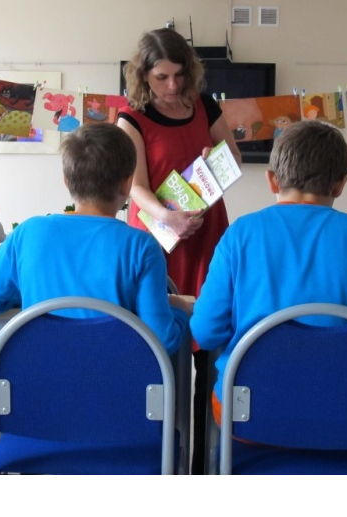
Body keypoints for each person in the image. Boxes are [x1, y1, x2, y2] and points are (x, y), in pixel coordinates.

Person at [191, 121, 347, 426]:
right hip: (346, 411)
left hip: (252, 410)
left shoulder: (240, 234)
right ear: (340, 185)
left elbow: (205, 332)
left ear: (271, 180)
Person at [116, 28, 241, 474]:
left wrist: (214, 164)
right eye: (162, 77)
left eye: (178, 75)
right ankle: (157, 449)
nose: (172, 86)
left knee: (206, 332)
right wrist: (168, 218)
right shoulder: (132, 118)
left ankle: (202, 457)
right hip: (159, 235)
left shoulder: (204, 105)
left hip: (206, 229)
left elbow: (234, 160)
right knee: (157, 341)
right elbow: (134, 186)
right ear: (144, 76)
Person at [0, 122, 193, 354]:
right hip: (116, 385)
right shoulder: (142, 246)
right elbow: (163, 341)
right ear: (127, 184)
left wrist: (25, 290)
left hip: (37, 384)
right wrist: (178, 310)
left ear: (66, 181)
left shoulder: (28, 233)